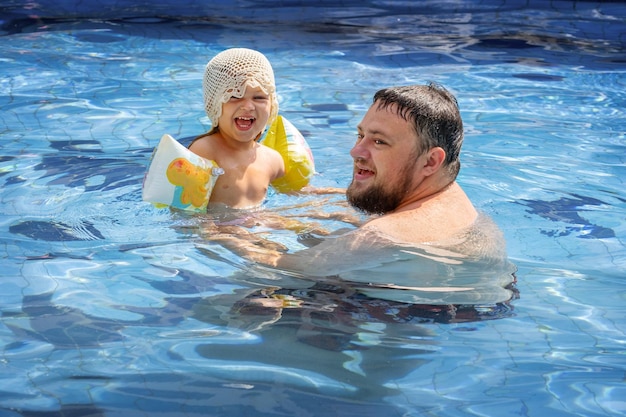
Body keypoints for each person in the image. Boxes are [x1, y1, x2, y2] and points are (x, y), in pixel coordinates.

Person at [209, 83, 515, 298]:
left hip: (403, 316)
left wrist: (216, 231)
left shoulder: (381, 235)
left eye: (379, 141)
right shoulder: (449, 199)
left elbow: (279, 269)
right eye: (360, 134)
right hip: (469, 300)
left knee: (234, 302)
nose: (356, 151)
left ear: (431, 161)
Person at [188, 48, 285, 209]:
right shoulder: (204, 152)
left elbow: (298, 194)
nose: (248, 106)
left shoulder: (272, 160)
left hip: (261, 224)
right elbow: (184, 212)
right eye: (234, 96)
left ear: (272, 104)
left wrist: (335, 195)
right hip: (220, 230)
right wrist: (220, 234)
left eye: (259, 97)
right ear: (214, 103)